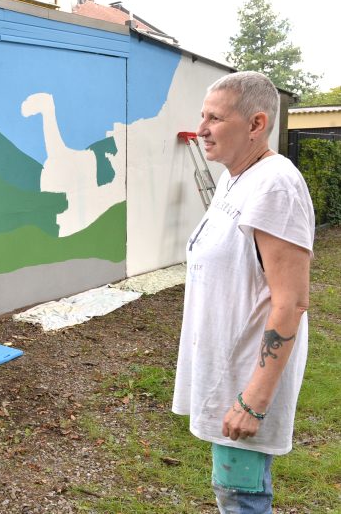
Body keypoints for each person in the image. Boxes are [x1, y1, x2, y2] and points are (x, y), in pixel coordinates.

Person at [172, 71, 315, 513]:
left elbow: (290, 301)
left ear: (255, 125)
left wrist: (253, 400)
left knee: (242, 498)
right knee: (231, 494)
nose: (201, 129)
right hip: (225, 371)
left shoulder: (276, 185)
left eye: (215, 118)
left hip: (244, 381)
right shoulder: (236, 177)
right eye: (202, 116)